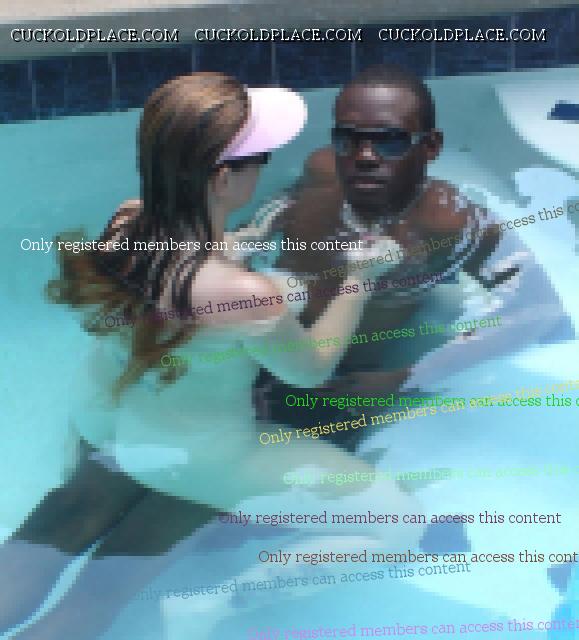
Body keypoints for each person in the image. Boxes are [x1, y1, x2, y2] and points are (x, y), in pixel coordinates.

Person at [0, 72, 421, 640]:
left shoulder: (125, 223)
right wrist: (359, 278)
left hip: (106, 421)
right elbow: (310, 369)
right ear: (223, 178)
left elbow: (173, 290)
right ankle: (215, 606)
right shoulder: (246, 295)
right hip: (192, 454)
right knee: (397, 524)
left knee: (63, 526)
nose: (264, 169)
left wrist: (226, 247)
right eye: (259, 160)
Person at [250, 63, 574, 440]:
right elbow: (280, 207)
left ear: (430, 147)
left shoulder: (450, 224)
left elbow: (539, 311)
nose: (364, 156)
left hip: (334, 382)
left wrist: (405, 378)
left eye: (390, 141)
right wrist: (264, 228)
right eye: (347, 139)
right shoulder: (321, 171)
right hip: (254, 348)